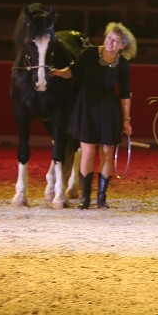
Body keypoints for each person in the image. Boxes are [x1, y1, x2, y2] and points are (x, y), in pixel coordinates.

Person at [53, 22, 136, 209]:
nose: (110, 43)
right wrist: (58, 72)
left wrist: (126, 119)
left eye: (116, 41)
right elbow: (72, 71)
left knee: (107, 153)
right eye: (109, 38)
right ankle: (85, 198)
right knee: (88, 152)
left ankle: (101, 197)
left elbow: (125, 93)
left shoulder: (123, 64)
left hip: (108, 109)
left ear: (123, 46)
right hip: (87, 107)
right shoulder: (90, 54)